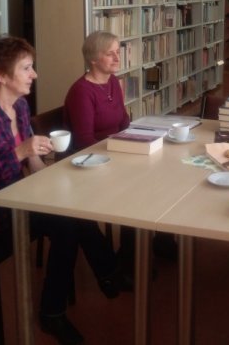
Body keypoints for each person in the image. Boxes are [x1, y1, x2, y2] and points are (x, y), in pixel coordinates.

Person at [0, 36, 124, 345]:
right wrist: (18, 153)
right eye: (27, 68)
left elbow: (33, 163)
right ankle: (57, 309)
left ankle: (108, 274)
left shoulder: (19, 106)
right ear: (2, 75)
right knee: (66, 224)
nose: (35, 75)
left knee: (73, 209)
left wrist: (52, 177)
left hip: (18, 195)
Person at [64, 31, 177, 266]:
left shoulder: (113, 82)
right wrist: (121, 151)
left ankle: (161, 242)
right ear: (93, 59)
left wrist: (137, 142)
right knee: (137, 191)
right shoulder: (81, 91)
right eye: (110, 54)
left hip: (116, 153)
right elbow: (84, 141)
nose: (117, 58)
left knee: (163, 177)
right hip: (92, 163)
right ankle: (129, 259)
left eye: (118, 52)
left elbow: (123, 123)